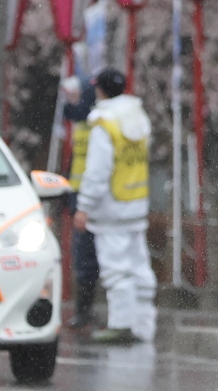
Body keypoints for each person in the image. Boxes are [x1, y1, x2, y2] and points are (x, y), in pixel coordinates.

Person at [75, 68, 155, 344]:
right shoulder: (137, 117)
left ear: (100, 90)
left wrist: (84, 206)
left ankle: (121, 324)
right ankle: (144, 325)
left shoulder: (104, 123)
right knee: (140, 267)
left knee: (115, 269)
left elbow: (97, 172)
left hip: (111, 207)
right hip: (136, 204)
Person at [61, 76, 101, 326]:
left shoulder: (91, 125)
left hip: (88, 199)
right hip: (85, 197)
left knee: (86, 255)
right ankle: (86, 310)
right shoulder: (88, 123)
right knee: (88, 255)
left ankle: (85, 311)